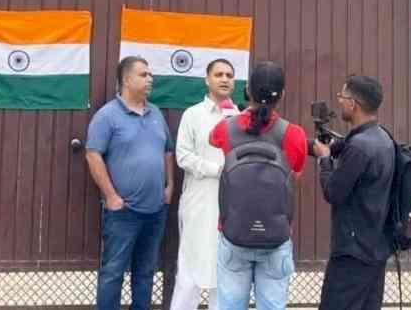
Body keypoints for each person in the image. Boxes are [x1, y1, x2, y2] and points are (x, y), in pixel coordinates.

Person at [209, 61, 307, 310]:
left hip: (234, 233)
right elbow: (294, 177)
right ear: (282, 95)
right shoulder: (293, 134)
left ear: (247, 92)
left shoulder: (225, 128)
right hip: (276, 235)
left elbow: (212, 140)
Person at [85, 56, 175, 310]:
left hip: (156, 210)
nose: (150, 79)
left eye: (150, 75)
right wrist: (111, 197)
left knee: (145, 272)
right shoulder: (108, 116)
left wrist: (169, 187)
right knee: (113, 272)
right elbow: (93, 155)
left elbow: (168, 150)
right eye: (144, 75)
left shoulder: (155, 113)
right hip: (123, 212)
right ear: (126, 79)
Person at [313, 75, 395, 310]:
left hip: (352, 255)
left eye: (342, 96)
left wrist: (324, 160)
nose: (338, 101)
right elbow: (344, 150)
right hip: (374, 249)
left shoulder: (360, 147)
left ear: (353, 104)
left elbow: (333, 192)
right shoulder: (381, 137)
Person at [172, 58, 240, 310]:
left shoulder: (240, 117)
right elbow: (183, 156)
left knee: (224, 273)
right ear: (207, 80)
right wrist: (217, 170)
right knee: (190, 270)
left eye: (229, 75)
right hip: (199, 202)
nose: (224, 79)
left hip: (232, 205)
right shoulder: (193, 115)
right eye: (219, 74)